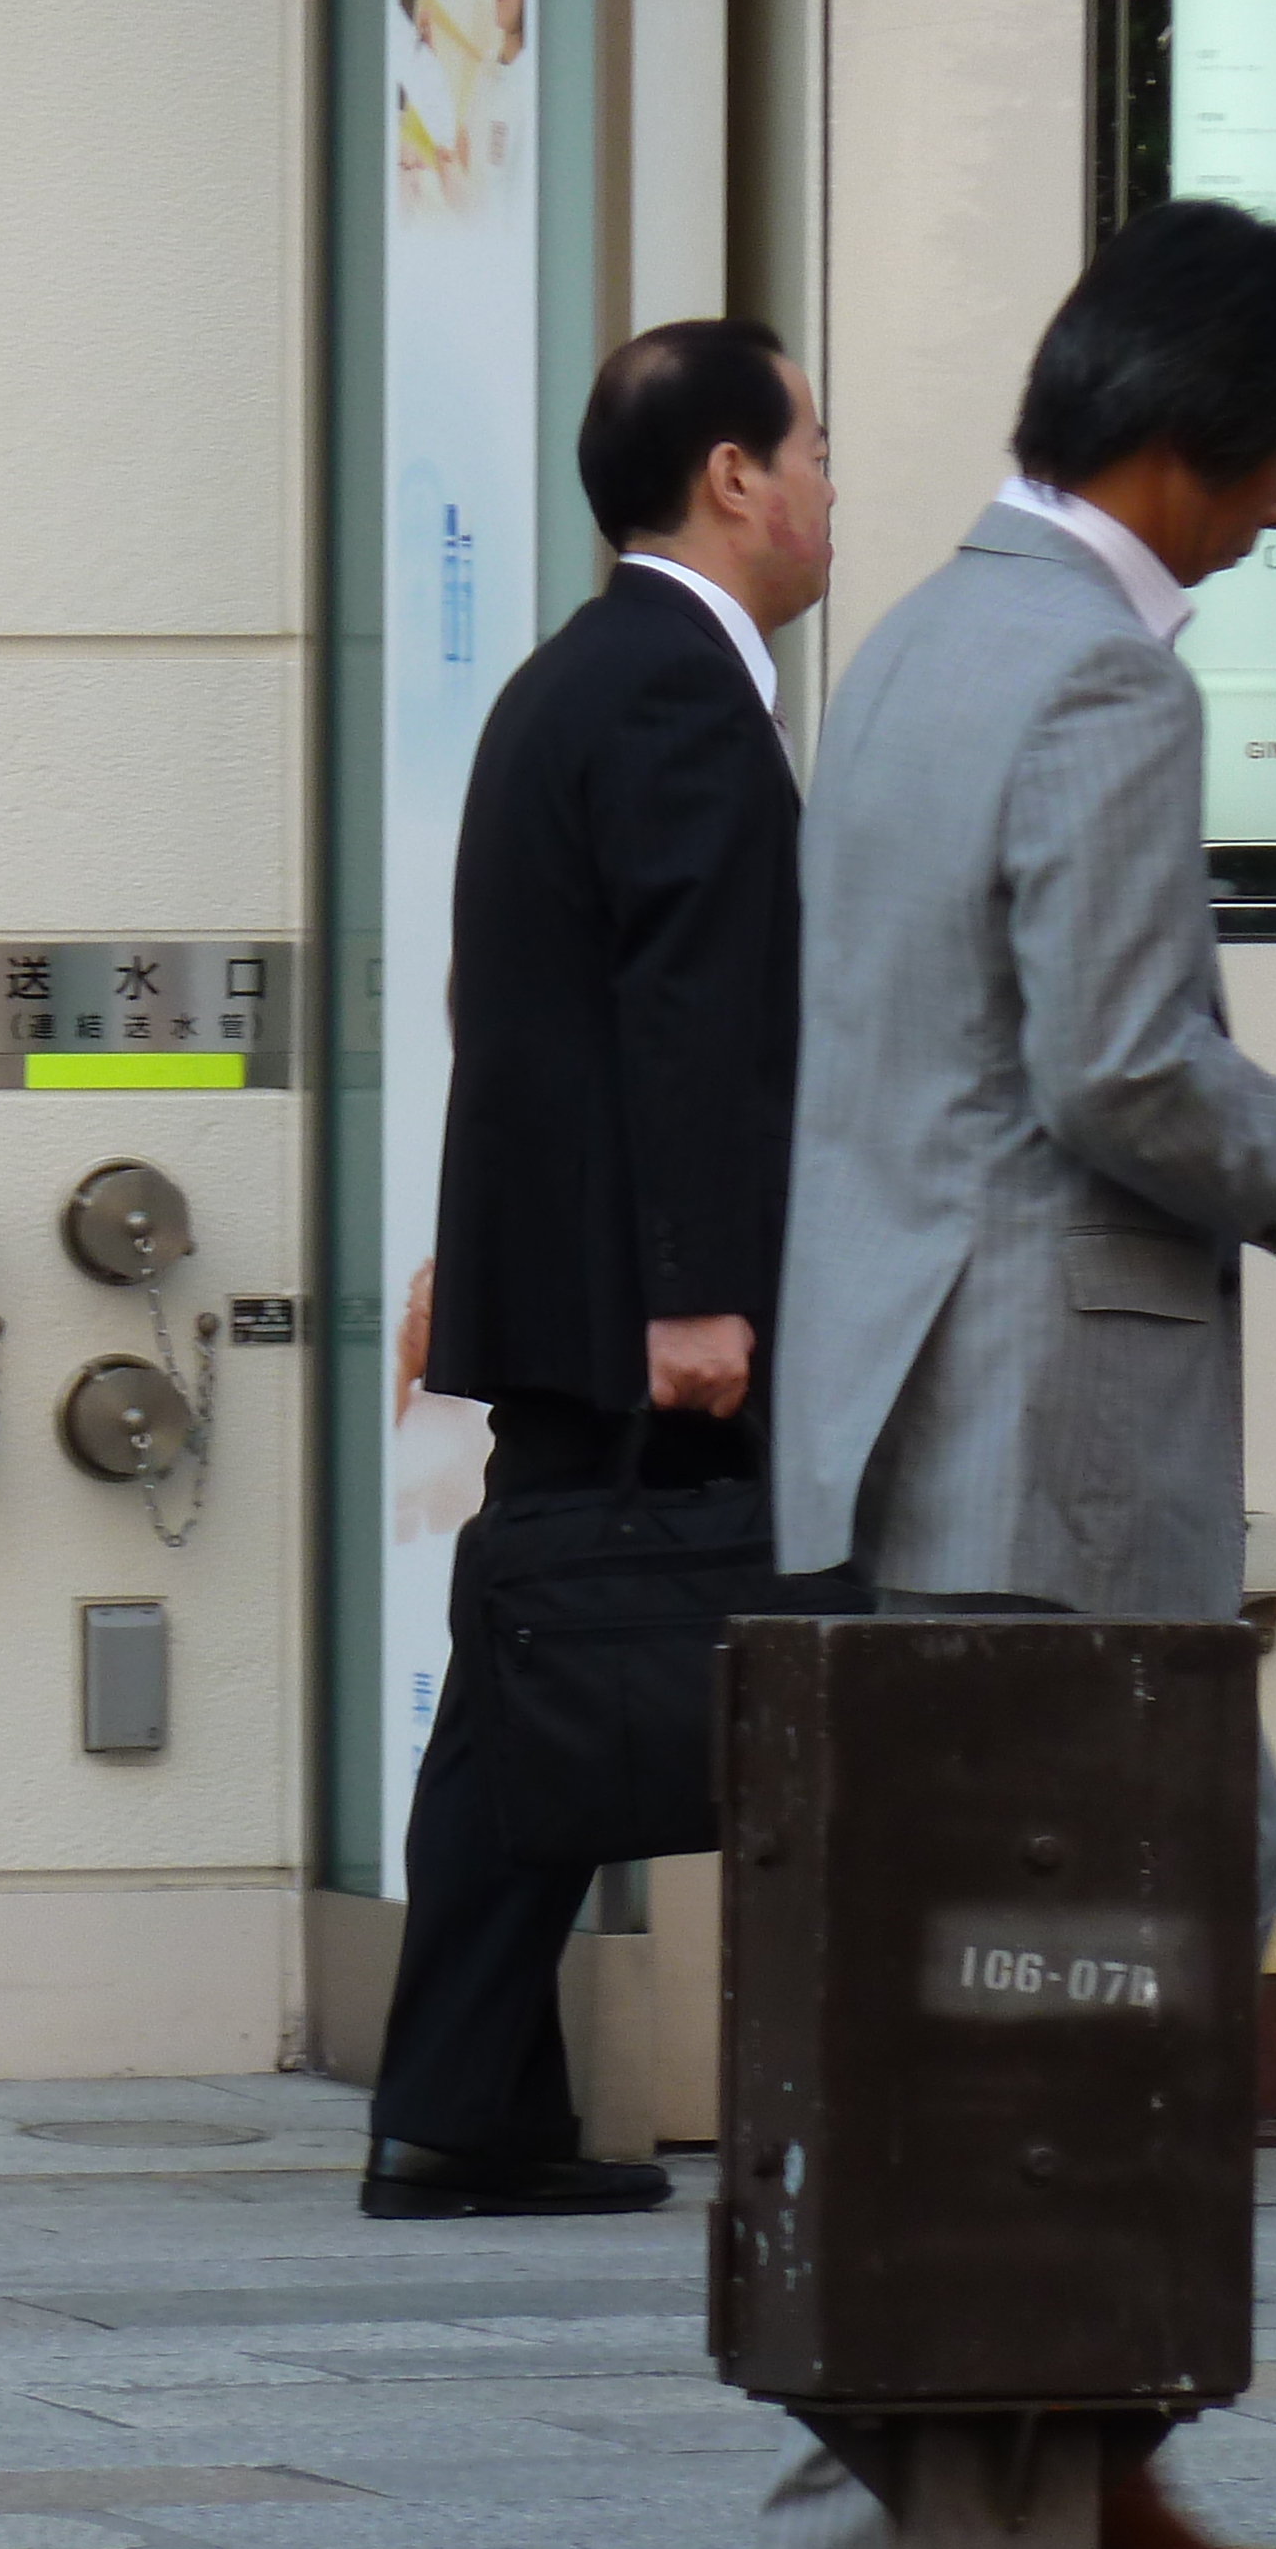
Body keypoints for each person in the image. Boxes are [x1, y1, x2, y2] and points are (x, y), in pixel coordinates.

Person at [746, 201, 1276, 2549]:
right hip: (1053, 1419)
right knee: (1124, 1917)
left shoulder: (918, 642)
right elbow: (1121, 1067)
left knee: (1004, 1934)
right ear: (1179, 441)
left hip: (909, 1404)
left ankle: (956, 2472)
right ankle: (970, 2470)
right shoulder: (1100, 687)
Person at [363, 317, 837, 2220]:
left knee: (522, 1668)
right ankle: (467, 2108)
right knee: (567, 1657)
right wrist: (696, 1292)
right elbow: (686, 1019)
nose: (823, 488)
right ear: (730, 473)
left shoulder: (588, 677)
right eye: (810, 449)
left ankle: (464, 2105)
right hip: (644, 1304)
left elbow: (528, 1015)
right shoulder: (670, 688)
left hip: (578, 1280)